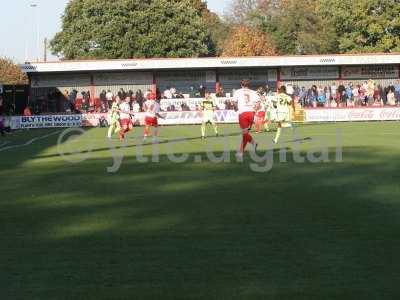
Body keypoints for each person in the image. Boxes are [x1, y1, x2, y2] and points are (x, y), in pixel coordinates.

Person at [232, 79, 259, 160]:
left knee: (244, 134)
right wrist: (254, 110)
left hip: (243, 113)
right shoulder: (253, 92)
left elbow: (234, 103)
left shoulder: (237, 92)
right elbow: (258, 104)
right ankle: (252, 144)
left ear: (241, 85)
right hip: (251, 113)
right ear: (248, 85)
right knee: (245, 133)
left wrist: (236, 108)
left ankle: (241, 152)